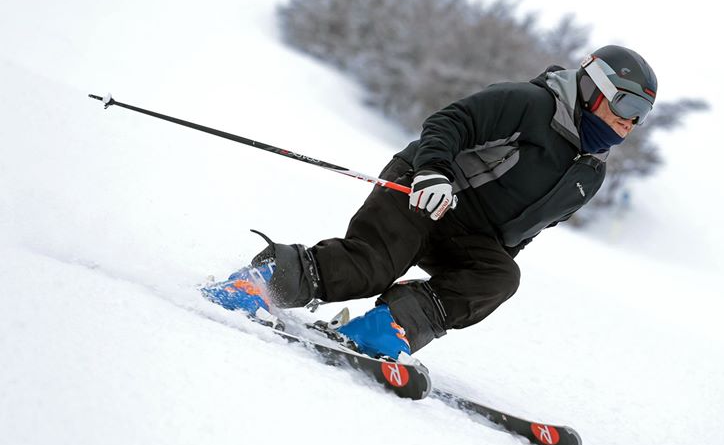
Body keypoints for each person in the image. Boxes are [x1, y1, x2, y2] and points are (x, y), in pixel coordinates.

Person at [202, 45, 657, 360]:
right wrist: (432, 173)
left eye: (641, 113)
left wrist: (490, 260)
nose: (629, 120)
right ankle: (262, 282)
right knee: (372, 266)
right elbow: (449, 121)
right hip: (423, 190)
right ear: (592, 86)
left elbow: (529, 229)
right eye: (625, 101)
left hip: (470, 233)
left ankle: (386, 328)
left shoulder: (588, 173)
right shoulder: (531, 104)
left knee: (499, 276)